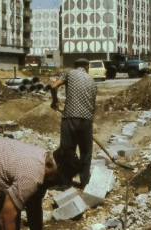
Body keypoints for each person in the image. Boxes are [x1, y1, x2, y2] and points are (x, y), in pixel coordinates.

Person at [50, 58, 98, 188]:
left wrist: (55, 101)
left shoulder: (69, 73)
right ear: (87, 66)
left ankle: (66, 181)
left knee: (67, 150)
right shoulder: (92, 81)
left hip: (70, 117)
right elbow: (93, 105)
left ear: (75, 66)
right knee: (86, 151)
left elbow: (54, 86)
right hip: (87, 119)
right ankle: (84, 181)